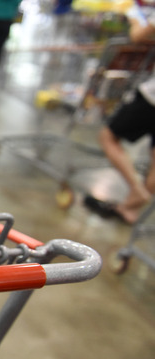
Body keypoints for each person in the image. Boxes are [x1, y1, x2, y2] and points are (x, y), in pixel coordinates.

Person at [93, 6, 155, 224]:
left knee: (107, 136)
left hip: (152, 100)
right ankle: (129, 208)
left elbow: (138, 36)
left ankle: (136, 192)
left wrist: (136, 19)